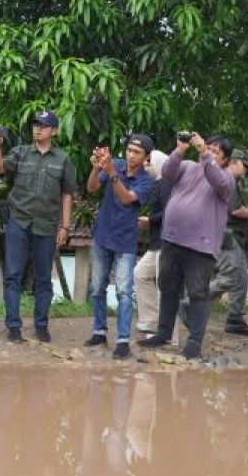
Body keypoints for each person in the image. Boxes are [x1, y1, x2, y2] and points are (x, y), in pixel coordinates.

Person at [139, 133, 237, 360]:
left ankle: (194, 342)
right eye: (208, 147)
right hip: (173, 239)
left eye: (216, 151)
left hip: (201, 247)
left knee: (198, 293)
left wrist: (204, 154)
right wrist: (180, 149)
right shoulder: (188, 166)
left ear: (225, 160)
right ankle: (163, 333)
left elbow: (216, 180)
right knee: (168, 287)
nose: (210, 152)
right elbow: (167, 173)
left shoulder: (226, 177)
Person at [0, 109, 77, 343]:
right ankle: (13, 327)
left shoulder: (62, 159)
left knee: (43, 279)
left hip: (47, 225)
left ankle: (41, 325)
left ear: (54, 130)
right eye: (35, 125)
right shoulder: (20, 153)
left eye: (43, 125)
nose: (37, 128)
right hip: (18, 220)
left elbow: (67, 194)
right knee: (12, 276)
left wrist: (65, 227)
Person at [84, 134, 156, 359]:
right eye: (129, 150)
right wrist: (97, 168)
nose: (131, 155)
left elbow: (126, 198)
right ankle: (99, 332)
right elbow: (91, 188)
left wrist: (112, 173)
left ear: (146, 157)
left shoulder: (146, 180)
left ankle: (123, 340)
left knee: (124, 291)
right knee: (97, 288)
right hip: (102, 236)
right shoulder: (114, 164)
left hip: (125, 241)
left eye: (137, 152)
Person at [211, 152, 248, 337]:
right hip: (228, 235)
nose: (247, 170)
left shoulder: (228, 181)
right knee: (231, 278)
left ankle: (235, 319)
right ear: (234, 162)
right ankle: (191, 301)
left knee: (241, 279)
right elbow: (234, 210)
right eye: (245, 165)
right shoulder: (228, 181)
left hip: (232, 236)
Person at [134, 151, 172, 335]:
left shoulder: (166, 184)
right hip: (156, 242)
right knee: (140, 274)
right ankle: (150, 321)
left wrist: (149, 221)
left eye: (149, 162)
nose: (146, 165)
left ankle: (167, 334)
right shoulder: (158, 183)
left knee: (164, 286)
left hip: (166, 242)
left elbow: (169, 213)